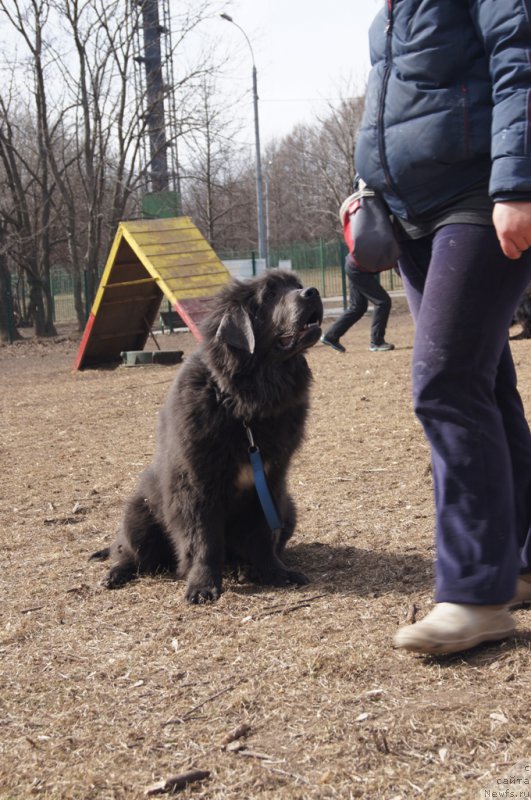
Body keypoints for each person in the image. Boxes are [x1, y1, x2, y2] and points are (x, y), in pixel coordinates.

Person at [354, 0, 531, 655]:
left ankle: (473, 594)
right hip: (409, 215)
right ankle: (515, 561)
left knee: (446, 383)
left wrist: (517, 184)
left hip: (478, 196)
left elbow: (520, 63)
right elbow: (389, 102)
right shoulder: (392, 12)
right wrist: (364, 183)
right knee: (482, 385)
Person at [320, 253, 395, 353]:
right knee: (382, 302)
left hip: (354, 265)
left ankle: (331, 336)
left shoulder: (391, 244)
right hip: (358, 268)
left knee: (358, 307)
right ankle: (377, 342)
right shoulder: (397, 247)